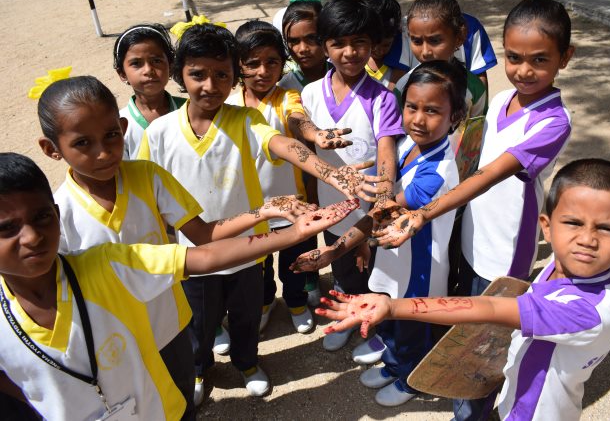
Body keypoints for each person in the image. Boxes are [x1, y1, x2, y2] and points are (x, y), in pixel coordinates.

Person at [0, 152, 357, 421]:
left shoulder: (104, 264)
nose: (31, 237)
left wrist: (293, 233)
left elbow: (203, 256)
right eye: (6, 228)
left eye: (41, 217)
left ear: (55, 213)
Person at [35, 75, 313, 411]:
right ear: (51, 149)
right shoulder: (57, 215)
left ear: (123, 128)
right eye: (82, 143)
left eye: (111, 135)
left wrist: (263, 211)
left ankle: (226, 368)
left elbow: (203, 235)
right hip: (115, 345)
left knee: (182, 401)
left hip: (169, 323)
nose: (103, 152)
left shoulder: (148, 177)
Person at [137, 21, 373, 401]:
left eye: (221, 75)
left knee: (247, 316)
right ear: (180, 74)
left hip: (248, 250)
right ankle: (198, 371)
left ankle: (247, 363)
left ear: (234, 77)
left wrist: (329, 171)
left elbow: (282, 144)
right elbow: (147, 194)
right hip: (192, 256)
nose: (210, 85)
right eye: (198, 74)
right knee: (198, 323)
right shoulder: (159, 133)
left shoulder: (247, 121)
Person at [371, 0, 576, 420]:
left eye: (539, 59)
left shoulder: (553, 122)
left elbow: (489, 174)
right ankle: (441, 385)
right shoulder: (500, 101)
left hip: (504, 248)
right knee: (461, 321)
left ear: (565, 58)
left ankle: (470, 412)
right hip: (471, 235)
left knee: (485, 342)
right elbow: (468, 160)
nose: (524, 70)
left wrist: (424, 212)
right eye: (514, 57)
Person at [319, 158, 610, 421]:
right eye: (573, 223)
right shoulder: (566, 267)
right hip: (517, 392)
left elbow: (488, 308)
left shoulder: (589, 311)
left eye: (606, 228)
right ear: (546, 227)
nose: (587, 239)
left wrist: (392, 308)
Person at [294, 61, 465, 406]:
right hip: (394, 253)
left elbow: (380, 213)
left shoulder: (439, 172)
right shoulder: (409, 144)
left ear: (456, 116)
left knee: (411, 323)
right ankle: (394, 362)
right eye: (412, 107)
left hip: (419, 267)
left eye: (432, 111)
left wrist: (336, 250)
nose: (418, 119)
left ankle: (411, 379)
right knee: (388, 310)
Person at [296, 0, 405, 351]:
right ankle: (348, 312)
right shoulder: (311, 93)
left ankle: (373, 323)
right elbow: (305, 143)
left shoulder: (382, 98)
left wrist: (383, 203)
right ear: (324, 45)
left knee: (374, 268)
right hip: (334, 206)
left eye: (359, 42)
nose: (350, 52)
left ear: (372, 44)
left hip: (370, 209)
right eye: (338, 43)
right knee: (342, 264)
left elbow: (386, 150)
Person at [227, 20, 316, 333]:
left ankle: (296, 302)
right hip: (252, 208)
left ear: (283, 62)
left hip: (293, 204)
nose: (263, 71)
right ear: (238, 65)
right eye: (252, 63)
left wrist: (313, 132)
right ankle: (265, 302)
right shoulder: (229, 104)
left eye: (272, 62)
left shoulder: (287, 97)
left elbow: (297, 119)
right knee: (259, 264)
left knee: (294, 260)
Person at [395, 0, 488, 179]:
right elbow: (397, 133)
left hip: (457, 177)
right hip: (412, 174)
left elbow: (476, 135)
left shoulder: (474, 88)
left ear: (459, 37)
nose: (425, 51)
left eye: (435, 40)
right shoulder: (404, 85)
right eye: (416, 41)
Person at [385, 0, 497, 88]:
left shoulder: (472, 27)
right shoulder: (405, 27)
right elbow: (398, 76)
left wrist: (480, 101)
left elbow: (479, 75)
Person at [113, 23, 186, 159]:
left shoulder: (189, 110)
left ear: (170, 66)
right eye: (136, 63)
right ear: (122, 74)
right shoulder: (119, 124)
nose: (148, 70)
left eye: (156, 61)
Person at [279, 0, 328, 91]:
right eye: (294, 41)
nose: (303, 49)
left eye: (311, 38)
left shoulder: (344, 74)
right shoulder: (285, 88)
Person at [361, 0, 406, 91]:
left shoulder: (402, 55)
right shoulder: (354, 60)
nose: (379, 51)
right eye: (373, 44)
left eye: (386, 45)